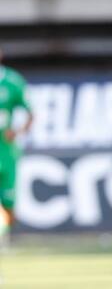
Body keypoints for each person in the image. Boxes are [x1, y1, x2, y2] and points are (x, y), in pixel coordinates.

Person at [0, 52, 33, 245]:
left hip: (6, 150)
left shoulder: (13, 81)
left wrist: (17, 131)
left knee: (9, 199)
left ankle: (6, 239)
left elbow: (31, 113)